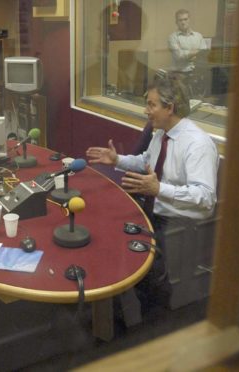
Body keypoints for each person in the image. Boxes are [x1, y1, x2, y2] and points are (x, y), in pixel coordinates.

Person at [86, 75, 218, 313]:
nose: (146, 111)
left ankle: (159, 330)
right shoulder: (161, 133)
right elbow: (146, 161)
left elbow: (206, 198)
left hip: (176, 228)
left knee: (159, 297)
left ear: (170, 107)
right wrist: (118, 160)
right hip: (152, 216)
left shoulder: (198, 144)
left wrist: (158, 189)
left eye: (152, 105)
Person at [168, 9, 207, 73]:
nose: (183, 22)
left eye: (185, 19)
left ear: (189, 20)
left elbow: (203, 54)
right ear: (176, 22)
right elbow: (179, 56)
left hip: (197, 72)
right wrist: (196, 52)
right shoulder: (172, 37)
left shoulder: (198, 36)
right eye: (180, 20)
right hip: (179, 74)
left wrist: (186, 54)